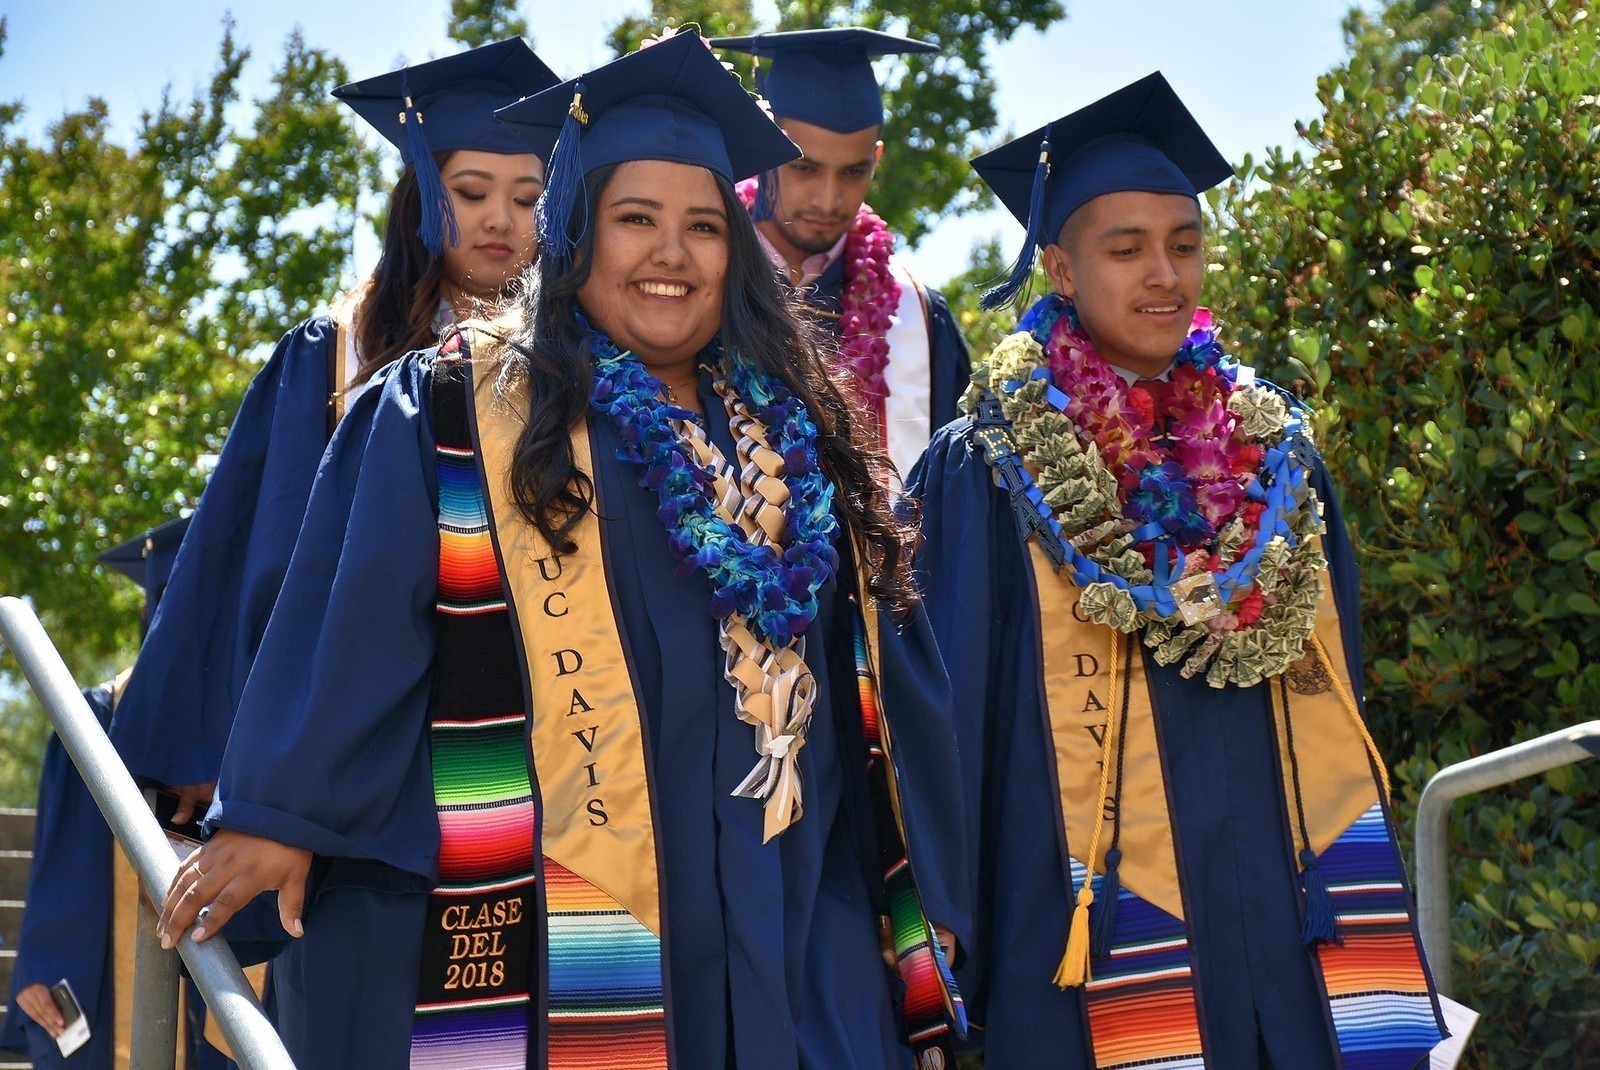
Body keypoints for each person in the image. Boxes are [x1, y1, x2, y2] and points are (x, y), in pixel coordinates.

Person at [156, 29, 968, 1070]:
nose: (671, 255)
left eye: (703, 227)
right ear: (578, 233)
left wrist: (925, 890)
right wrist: (282, 811)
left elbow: (882, 683)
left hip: (786, 907)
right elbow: (357, 616)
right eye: (636, 220)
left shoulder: (797, 434)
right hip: (550, 915)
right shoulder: (453, 403)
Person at [908, 73, 1448, 1069]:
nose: (1163, 273)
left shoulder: (1277, 458)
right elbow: (948, 736)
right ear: (1060, 269)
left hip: (1294, 913)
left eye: (1183, 243)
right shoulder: (988, 471)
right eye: (1126, 248)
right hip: (1092, 922)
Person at [109, 38, 561, 825]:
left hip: (534, 712)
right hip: (357, 723)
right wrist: (241, 749)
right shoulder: (338, 352)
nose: (500, 219)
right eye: (470, 189)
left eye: (528, 199)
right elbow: (267, 556)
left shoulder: (575, 361)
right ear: (422, 194)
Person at [0, 521, 252, 1070]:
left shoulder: (265, 726)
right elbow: (60, 864)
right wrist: (41, 967)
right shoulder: (95, 719)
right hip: (111, 984)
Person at [708, 28, 971, 478]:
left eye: (854, 171)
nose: (829, 200)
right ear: (764, 148)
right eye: (804, 167)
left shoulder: (919, 317)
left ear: (877, 159)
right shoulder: (705, 279)